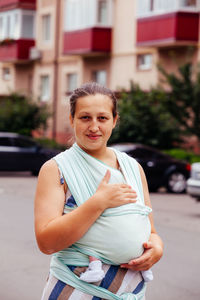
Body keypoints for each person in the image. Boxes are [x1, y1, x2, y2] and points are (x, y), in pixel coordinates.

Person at [34, 82, 163, 300]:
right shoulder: (56, 169)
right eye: (85, 117)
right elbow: (46, 243)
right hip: (76, 287)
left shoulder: (132, 167)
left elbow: (150, 230)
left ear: (114, 120)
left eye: (102, 118)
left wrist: (157, 249)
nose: (94, 127)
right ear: (71, 120)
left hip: (131, 289)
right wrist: (98, 203)